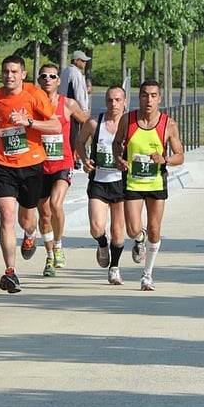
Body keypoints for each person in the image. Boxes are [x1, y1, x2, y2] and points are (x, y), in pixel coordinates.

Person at [0, 55, 60, 294]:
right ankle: (10, 272)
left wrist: (29, 122)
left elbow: (55, 126)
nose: (9, 76)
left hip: (32, 165)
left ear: (23, 75)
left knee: (25, 220)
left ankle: (30, 234)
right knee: (7, 216)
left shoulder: (35, 95)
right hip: (4, 164)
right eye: (6, 72)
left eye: (14, 72)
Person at [113, 80, 185, 291]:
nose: (149, 100)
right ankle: (139, 238)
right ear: (139, 97)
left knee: (155, 228)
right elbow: (117, 143)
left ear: (159, 98)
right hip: (133, 181)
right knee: (133, 229)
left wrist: (166, 160)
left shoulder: (168, 124)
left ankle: (147, 275)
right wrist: (119, 158)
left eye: (153, 95)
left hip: (155, 181)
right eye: (145, 95)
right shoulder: (128, 120)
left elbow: (180, 156)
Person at [36, 63, 89, 276]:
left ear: (59, 81)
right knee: (44, 214)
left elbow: (88, 123)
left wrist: (81, 148)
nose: (48, 79)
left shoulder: (68, 104)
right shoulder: (33, 105)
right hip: (40, 164)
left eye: (52, 76)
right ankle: (49, 257)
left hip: (63, 162)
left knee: (56, 204)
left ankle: (58, 245)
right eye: (43, 76)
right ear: (39, 80)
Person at [75, 85, 128, 285]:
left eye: (117, 100)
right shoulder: (94, 123)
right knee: (96, 228)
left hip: (121, 184)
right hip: (99, 181)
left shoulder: (130, 125)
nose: (113, 104)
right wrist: (85, 160)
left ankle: (114, 268)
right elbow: (79, 142)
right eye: (109, 100)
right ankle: (101, 244)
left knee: (118, 230)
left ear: (124, 102)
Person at [59, 49, 91, 168]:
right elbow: (78, 93)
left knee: (67, 135)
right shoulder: (76, 73)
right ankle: (74, 159)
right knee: (75, 135)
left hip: (63, 107)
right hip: (74, 110)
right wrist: (83, 110)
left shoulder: (65, 71)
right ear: (76, 60)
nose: (85, 63)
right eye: (82, 60)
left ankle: (70, 157)